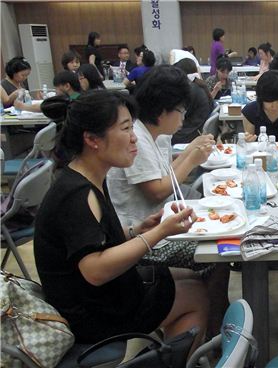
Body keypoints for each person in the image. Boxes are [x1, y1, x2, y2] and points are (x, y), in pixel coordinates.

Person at [34, 89, 209, 350]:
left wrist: (136, 229)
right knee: (197, 297)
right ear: (92, 139)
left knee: (191, 277)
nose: (134, 138)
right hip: (91, 315)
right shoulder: (76, 196)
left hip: (102, 295)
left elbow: (96, 242)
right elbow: (95, 270)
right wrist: (158, 233)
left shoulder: (87, 177)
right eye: (126, 128)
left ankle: (170, 350)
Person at [106, 66, 228, 339]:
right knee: (220, 252)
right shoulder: (138, 139)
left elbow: (166, 176)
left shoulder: (153, 134)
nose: (184, 117)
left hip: (154, 225)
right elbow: (157, 191)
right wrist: (193, 158)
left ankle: (207, 322)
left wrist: (192, 152)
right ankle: (214, 325)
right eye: (182, 110)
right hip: (142, 237)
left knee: (219, 243)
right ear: (163, 111)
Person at [242, 70, 278, 142]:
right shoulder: (250, 111)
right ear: (261, 97)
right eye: (269, 101)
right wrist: (248, 141)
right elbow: (249, 142)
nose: (274, 106)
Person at [172, 58, 214, 144]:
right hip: (195, 130)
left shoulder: (190, 90)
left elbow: (180, 116)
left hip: (188, 134)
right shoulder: (199, 86)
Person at [14, 70, 82, 113]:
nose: (56, 92)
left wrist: (21, 106)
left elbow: (43, 107)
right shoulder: (79, 95)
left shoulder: (70, 101)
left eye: (57, 88)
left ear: (67, 86)